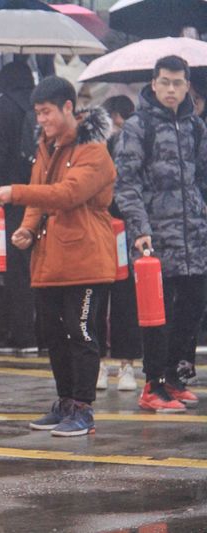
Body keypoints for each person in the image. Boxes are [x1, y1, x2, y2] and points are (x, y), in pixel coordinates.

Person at [0, 76, 117, 437]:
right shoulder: (46, 147)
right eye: (37, 113)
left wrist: (15, 193)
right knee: (53, 334)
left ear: (68, 107)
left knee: (82, 334)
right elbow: (40, 197)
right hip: (50, 259)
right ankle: (66, 403)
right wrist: (28, 229)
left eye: (46, 112)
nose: (41, 120)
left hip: (87, 260)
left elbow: (66, 194)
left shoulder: (94, 151)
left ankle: (83, 409)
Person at [114, 55, 207, 412]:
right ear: (154, 84)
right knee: (158, 313)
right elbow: (126, 184)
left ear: (187, 87)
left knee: (193, 307)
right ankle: (152, 385)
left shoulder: (195, 126)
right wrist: (140, 229)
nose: (171, 89)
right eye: (165, 82)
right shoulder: (138, 127)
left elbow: (202, 177)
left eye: (178, 83)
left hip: (193, 237)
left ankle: (174, 378)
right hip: (155, 238)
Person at [0, 61, 38, 353]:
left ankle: (21, 335)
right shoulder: (39, 103)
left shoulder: (3, 103)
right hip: (41, 194)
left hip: (13, 196)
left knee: (17, 268)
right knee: (39, 264)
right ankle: (43, 333)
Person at [95, 95, 141, 392]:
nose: (118, 124)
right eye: (113, 118)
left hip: (127, 232)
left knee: (126, 301)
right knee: (96, 300)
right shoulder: (94, 149)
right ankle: (99, 363)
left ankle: (127, 365)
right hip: (99, 230)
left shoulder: (137, 147)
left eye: (122, 118)